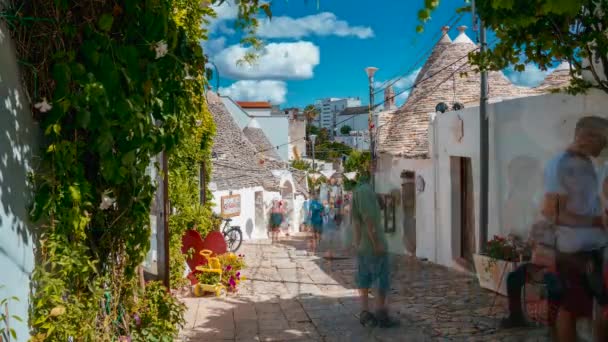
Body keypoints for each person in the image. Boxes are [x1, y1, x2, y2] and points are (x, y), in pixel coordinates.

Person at [541, 116, 608, 341]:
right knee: (570, 309)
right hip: (572, 253)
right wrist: (596, 223)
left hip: (595, 248)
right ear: (587, 137)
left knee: (598, 307)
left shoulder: (587, 163)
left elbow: (588, 204)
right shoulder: (561, 164)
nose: (604, 145)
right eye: (602, 139)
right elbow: (553, 213)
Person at [351, 176, 399, 328]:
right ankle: (380, 313)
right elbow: (368, 219)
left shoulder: (357, 193)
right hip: (373, 246)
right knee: (381, 279)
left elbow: (357, 222)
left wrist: (357, 243)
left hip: (363, 247)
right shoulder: (367, 192)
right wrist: (377, 243)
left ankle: (365, 312)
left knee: (364, 278)